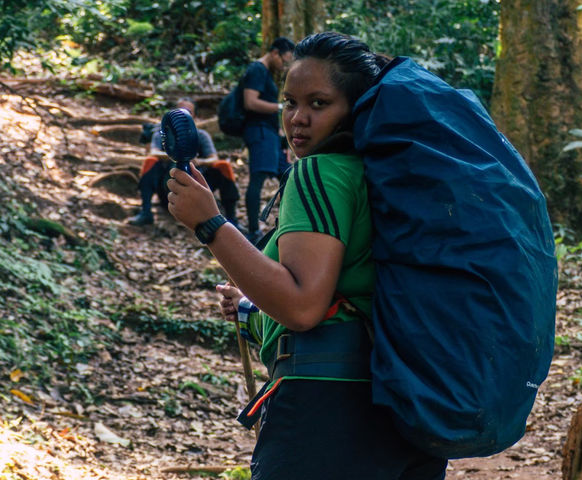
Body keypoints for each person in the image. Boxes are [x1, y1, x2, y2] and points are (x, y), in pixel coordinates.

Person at [166, 32, 448, 479]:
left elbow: (301, 306)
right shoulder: (389, 180)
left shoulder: (320, 172)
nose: (297, 119)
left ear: (356, 110)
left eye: (319, 104)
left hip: (327, 410)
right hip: (408, 406)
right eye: (290, 102)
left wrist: (210, 224)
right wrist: (249, 309)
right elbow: (349, 291)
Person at [128, 98, 239, 226]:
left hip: (199, 186)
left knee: (223, 166)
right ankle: (145, 212)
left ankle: (232, 219)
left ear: (194, 116)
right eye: (179, 111)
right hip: (167, 186)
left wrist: (198, 161)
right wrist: (175, 156)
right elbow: (153, 153)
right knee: (150, 162)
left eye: (188, 112)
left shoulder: (201, 135)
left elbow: (213, 158)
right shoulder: (162, 133)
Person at [241, 37, 295, 244]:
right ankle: (253, 230)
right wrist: (282, 107)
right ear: (274, 53)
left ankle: (286, 223)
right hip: (260, 133)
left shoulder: (265, 73)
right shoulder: (257, 70)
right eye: (284, 60)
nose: (284, 66)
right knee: (258, 178)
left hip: (270, 134)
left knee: (288, 174)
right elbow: (250, 101)